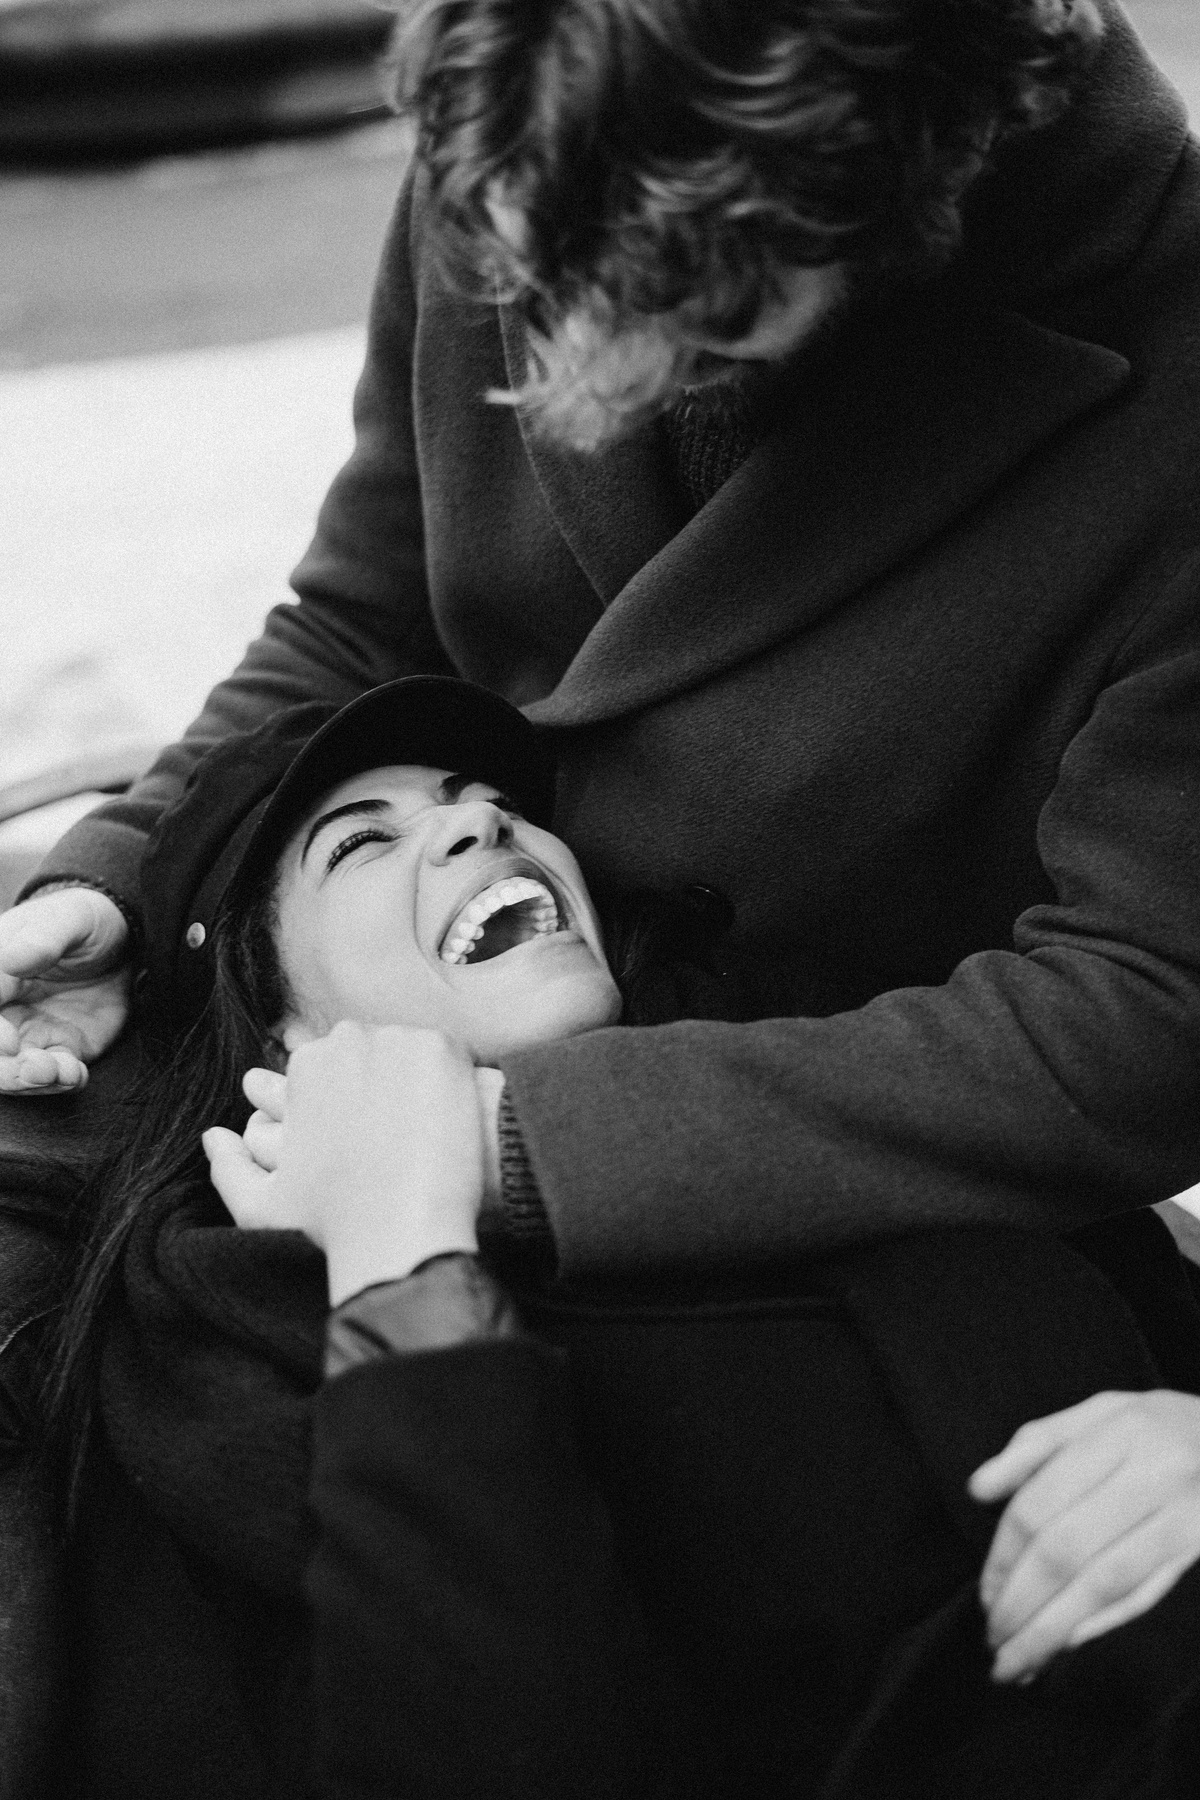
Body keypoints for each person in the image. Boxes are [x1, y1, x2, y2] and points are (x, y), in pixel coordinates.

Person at [22, 676, 1200, 1800]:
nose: (480, 828)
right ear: (275, 1031)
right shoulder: (237, 1333)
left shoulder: (817, 1078)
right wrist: (401, 1252)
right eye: (361, 843)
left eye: (491, 805)